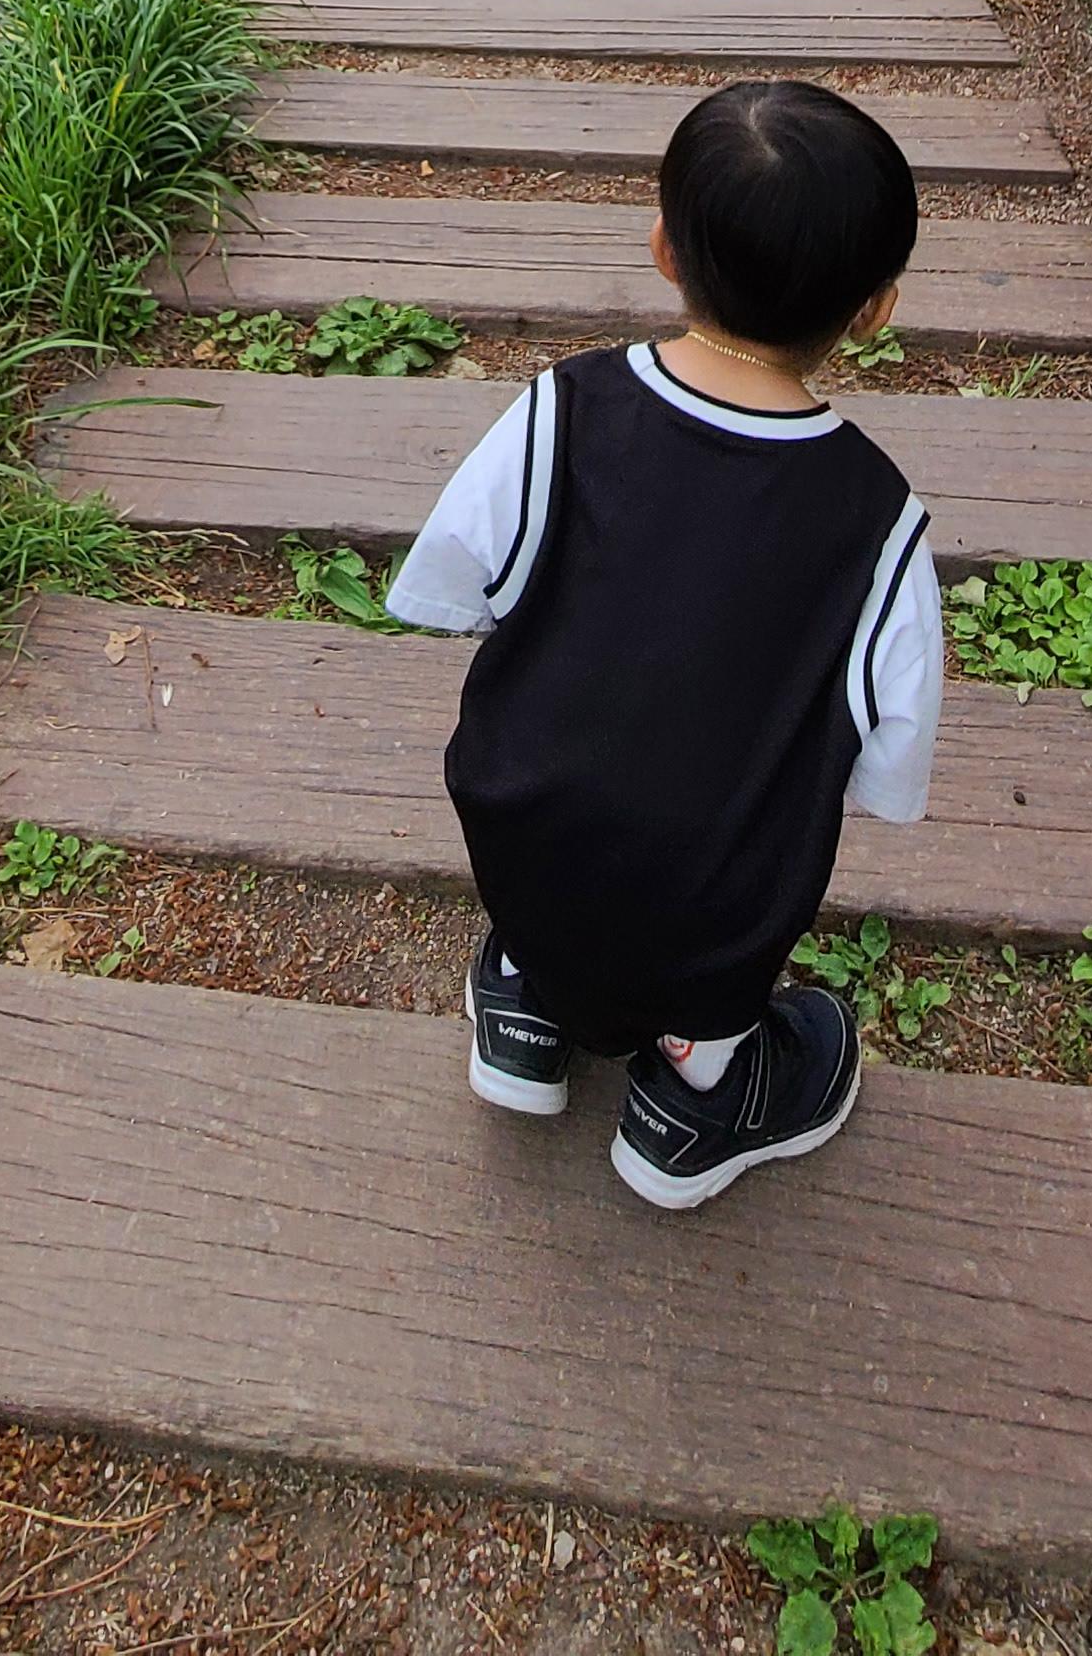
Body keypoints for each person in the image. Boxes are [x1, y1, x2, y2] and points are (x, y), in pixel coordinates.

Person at [387, 79, 941, 1210]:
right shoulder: (879, 521)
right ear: (876, 310)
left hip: (523, 827)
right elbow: (890, 763)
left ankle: (527, 998)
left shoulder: (564, 409)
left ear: (662, 249)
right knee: (721, 907)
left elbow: (448, 582)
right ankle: (700, 1090)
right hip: (718, 895)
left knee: (555, 849)